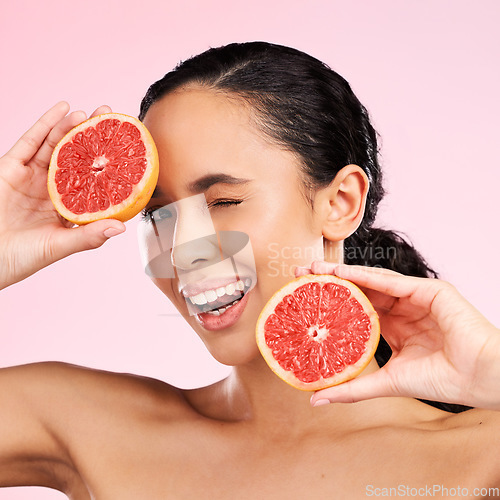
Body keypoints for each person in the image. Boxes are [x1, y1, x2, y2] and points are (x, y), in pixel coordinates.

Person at [1, 41, 499, 498]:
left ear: (340, 203)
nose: (183, 252)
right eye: (158, 212)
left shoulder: (479, 459)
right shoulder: (90, 428)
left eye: (224, 201)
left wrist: (492, 370)